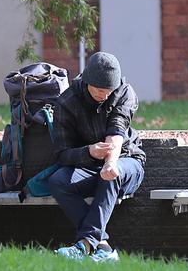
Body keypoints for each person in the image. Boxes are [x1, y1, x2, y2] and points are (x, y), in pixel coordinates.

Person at [49, 52, 145, 262]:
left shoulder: (124, 92)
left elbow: (117, 128)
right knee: (58, 181)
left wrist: (110, 161)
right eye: (100, 91)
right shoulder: (67, 102)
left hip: (128, 161)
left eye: (109, 91)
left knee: (111, 173)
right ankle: (103, 246)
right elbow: (62, 154)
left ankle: (84, 244)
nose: (105, 95)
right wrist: (89, 151)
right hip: (89, 164)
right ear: (86, 82)